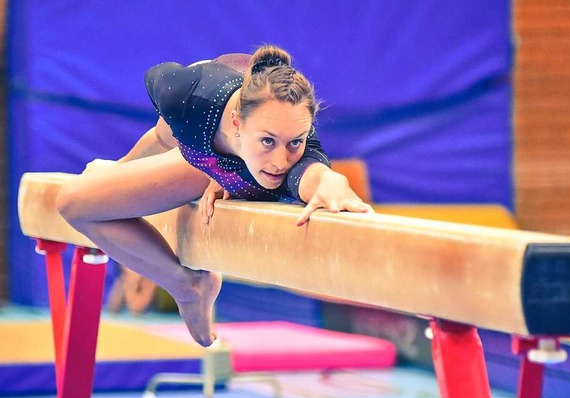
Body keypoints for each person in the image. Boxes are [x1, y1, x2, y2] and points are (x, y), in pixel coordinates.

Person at [56, 45, 373, 347]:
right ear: (237, 121)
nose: (280, 161)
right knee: (74, 200)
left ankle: (189, 286)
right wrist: (118, 171)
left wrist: (332, 183)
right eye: (267, 141)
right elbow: (157, 92)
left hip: (219, 165)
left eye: (295, 142)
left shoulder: (297, 157)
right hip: (201, 154)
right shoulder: (188, 96)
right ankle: (186, 285)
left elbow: (315, 175)